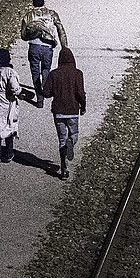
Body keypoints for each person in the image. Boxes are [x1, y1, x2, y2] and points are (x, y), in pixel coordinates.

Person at [19, 0, 69, 108]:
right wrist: (64, 46)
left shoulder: (28, 16)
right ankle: (45, 87)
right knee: (46, 69)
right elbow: (61, 29)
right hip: (48, 47)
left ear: (33, 3)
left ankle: (39, 99)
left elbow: (23, 36)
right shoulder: (52, 14)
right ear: (43, 2)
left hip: (34, 47)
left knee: (35, 72)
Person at [45, 47, 85, 180]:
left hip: (58, 112)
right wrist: (83, 106)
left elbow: (46, 93)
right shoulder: (78, 73)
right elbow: (80, 93)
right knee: (74, 135)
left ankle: (64, 169)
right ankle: (71, 142)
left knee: (61, 140)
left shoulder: (53, 74)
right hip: (73, 111)